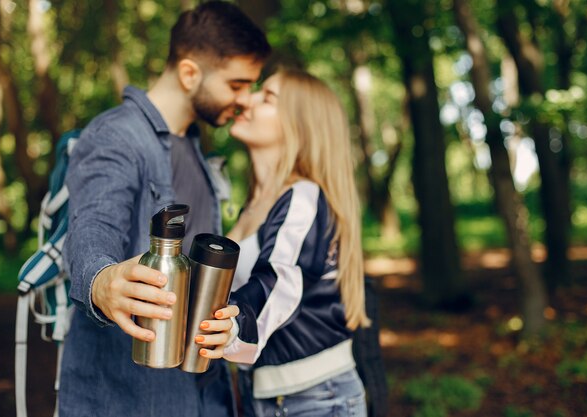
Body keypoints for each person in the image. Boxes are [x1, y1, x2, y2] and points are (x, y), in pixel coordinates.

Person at [60, 2, 271, 417]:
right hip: (128, 398)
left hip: (204, 393)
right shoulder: (116, 136)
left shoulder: (193, 147)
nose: (246, 100)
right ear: (190, 73)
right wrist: (101, 280)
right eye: (237, 84)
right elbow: (92, 225)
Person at [210, 69, 371, 417]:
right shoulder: (253, 204)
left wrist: (233, 324)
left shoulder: (304, 196)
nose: (246, 99)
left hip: (316, 398)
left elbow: (280, 277)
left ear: (299, 124)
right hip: (266, 395)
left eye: (266, 96)